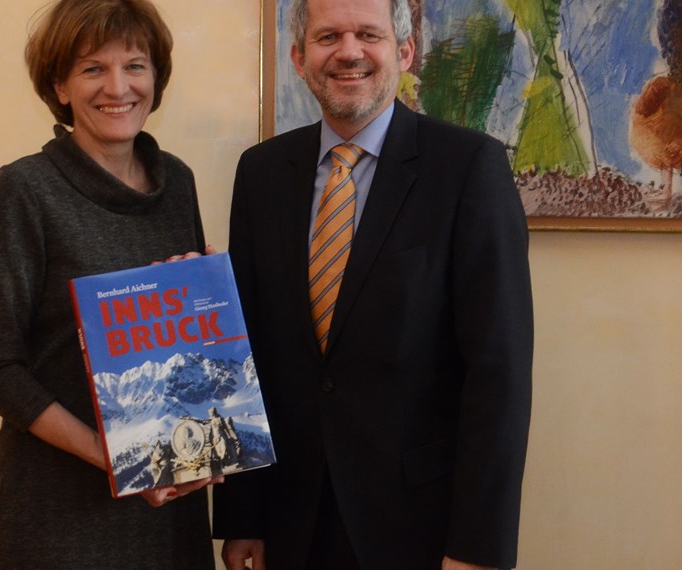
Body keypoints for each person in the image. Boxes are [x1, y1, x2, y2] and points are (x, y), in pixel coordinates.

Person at [211, 0, 533, 569]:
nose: (349, 51)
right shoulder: (260, 173)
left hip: (421, 527)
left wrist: (479, 547)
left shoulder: (467, 168)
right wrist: (244, 519)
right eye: (328, 36)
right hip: (291, 524)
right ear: (299, 57)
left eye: (369, 34)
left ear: (404, 52)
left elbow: (498, 373)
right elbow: (248, 355)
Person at [0, 0, 219, 567]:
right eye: (92, 69)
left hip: (168, 507)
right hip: (61, 514)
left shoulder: (177, 181)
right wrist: (115, 456)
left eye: (135, 65)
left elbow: (184, 348)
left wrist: (204, 295)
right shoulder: (23, 191)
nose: (118, 86)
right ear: (59, 86)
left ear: (156, 77)